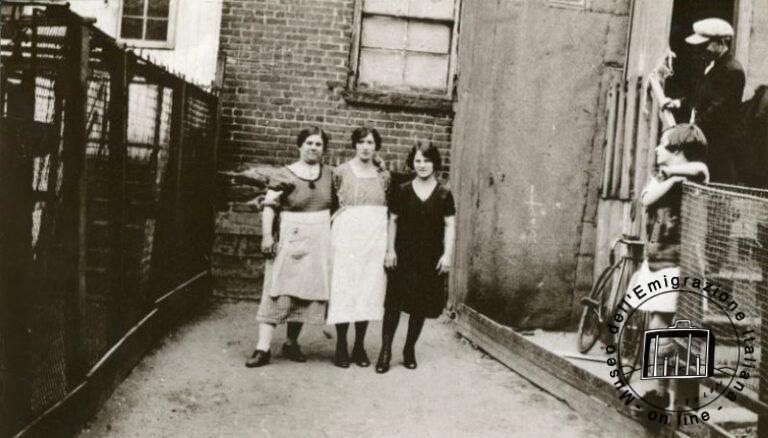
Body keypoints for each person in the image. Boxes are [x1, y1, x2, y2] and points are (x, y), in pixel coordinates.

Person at [631, 123, 709, 408]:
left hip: (682, 261)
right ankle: (658, 390)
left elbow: (700, 168)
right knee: (659, 322)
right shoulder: (659, 178)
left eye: (663, 145)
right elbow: (646, 198)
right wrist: (671, 179)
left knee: (678, 327)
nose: (656, 149)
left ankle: (673, 393)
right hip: (658, 259)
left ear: (679, 151)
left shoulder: (694, 175)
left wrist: (675, 175)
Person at [245, 127, 333, 368]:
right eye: (309, 143)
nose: (313, 148)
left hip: (319, 241)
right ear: (299, 145)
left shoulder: (329, 175)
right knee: (276, 291)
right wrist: (266, 236)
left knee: (304, 294)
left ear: (323, 149)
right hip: (289, 238)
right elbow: (270, 207)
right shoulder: (285, 173)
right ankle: (262, 348)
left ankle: (292, 342)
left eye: (318, 144)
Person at [376, 142, 455, 373]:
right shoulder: (402, 190)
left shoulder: (443, 192)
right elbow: (393, 220)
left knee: (419, 306)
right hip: (403, 255)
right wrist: (390, 250)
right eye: (418, 161)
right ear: (412, 162)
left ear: (435, 163)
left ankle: (409, 349)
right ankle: (386, 350)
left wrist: (447, 255)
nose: (421, 165)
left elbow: (450, 224)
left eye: (427, 161)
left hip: (429, 257)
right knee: (393, 304)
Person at [327, 127, 390, 368]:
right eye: (361, 142)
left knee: (367, 288)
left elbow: (386, 206)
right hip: (346, 236)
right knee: (344, 287)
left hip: (373, 238)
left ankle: (359, 345)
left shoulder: (383, 175)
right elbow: (334, 204)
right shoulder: (341, 172)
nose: (366, 147)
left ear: (376, 147)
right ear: (355, 145)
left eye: (370, 142)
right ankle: (341, 344)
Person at [663, 18, 744, 184]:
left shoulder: (732, 71)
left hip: (715, 148)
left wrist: (685, 133)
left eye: (706, 43)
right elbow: (699, 96)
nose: (702, 48)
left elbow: (716, 112)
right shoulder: (711, 65)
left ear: (720, 42)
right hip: (700, 141)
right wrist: (678, 103)